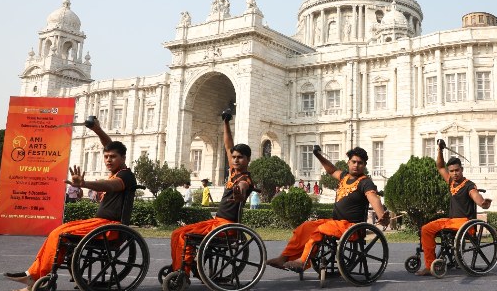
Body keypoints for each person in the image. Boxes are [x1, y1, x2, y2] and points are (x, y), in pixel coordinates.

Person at [4, 118, 137, 291]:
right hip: (99, 224)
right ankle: (33, 275)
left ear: (123, 158)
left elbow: (110, 186)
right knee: (58, 232)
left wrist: (85, 183)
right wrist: (97, 130)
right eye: (106, 157)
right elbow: (110, 145)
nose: (108, 160)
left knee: (59, 235)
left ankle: (35, 277)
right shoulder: (116, 171)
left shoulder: (126, 176)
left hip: (110, 227)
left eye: (113, 157)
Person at [266, 146, 389, 271]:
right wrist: (318, 155)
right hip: (336, 223)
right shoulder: (344, 176)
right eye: (354, 162)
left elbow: (373, 198)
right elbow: (331, 170)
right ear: (348, 162)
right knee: (305, 227)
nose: (356, 165)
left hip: (352, 227)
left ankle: (303, 260)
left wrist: (381, 216)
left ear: (364, 165)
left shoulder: (365, 182)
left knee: (320, 229)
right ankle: (283, 258)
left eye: (360, 163)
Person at [167, 110, 254, 274]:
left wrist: (239, 194)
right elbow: (228, 146)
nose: (235, 159)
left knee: (183, 235)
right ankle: (181, 266)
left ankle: (182, 271)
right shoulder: (234, 173)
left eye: (240, 157)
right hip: (217, 222)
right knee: (177, 232)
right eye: (234, 157)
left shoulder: (245, 179)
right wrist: (226, 123)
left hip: (226, 227)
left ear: (248, 159)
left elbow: (242, 190)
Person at [416, 139, 492, 276]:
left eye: (457, 170)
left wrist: (483, 203)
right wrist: (440, 150)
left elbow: (476, 196)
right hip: (451, 221)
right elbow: (439, 166)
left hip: (465, 223)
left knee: (441, 226)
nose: (454, 173)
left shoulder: (469, 185)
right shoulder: (451, 182)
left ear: (461, 170)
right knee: (426, 229)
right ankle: (430, 265)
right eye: (451, 171)